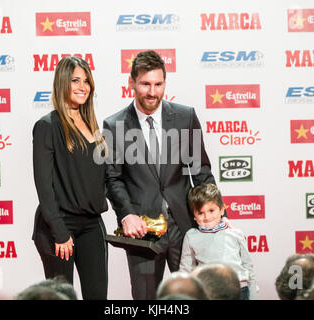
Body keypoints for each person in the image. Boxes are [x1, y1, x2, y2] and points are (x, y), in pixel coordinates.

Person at [103, 50, 221, 300]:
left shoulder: (185, 116)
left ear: (165, 83)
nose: (152, 92)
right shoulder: (114, 125)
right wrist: (126, 214)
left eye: (158, 84)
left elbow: (200, 171)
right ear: (131, 82)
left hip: (185, 225)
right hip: (143, 231)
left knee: (196, 296)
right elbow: (113, 178)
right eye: (145, 84)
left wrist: (219, 214)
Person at [32, 56, 108, 300]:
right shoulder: (47, 126)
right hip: (60, 226)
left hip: (92, 225)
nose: (82, 86)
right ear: (63, 82)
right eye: (76, 80)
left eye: (86, 81)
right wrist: (60, 232)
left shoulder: (93, 126)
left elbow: (102, 179)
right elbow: (44, 185)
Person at [179, 183, 257, 300]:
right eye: (200, 213)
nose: (207, 217)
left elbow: (248, 268)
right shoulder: (191, 236)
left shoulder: (235, 234)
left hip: (239, 290)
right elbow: (186, 270)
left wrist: (253, 297)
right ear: (194, 216)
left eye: (211, 210)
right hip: (208, 292)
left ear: (221, 210)